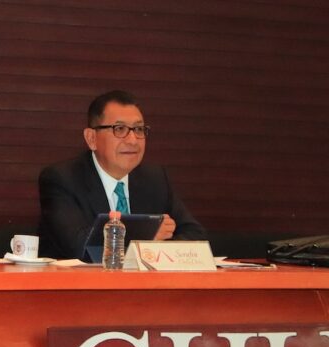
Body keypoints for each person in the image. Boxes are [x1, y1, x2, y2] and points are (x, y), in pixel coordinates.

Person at [38, 90, 207, 259]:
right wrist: (147, 237)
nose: (133, 140)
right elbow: (79, 247)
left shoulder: (154, 179)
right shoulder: (62, 179)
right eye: (119, 129)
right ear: (91, 139)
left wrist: (151, 248)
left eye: (138, 129)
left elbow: (196, 236)